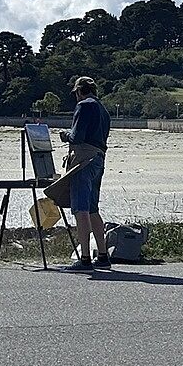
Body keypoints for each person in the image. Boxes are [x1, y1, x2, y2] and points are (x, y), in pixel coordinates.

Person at [59, 76, 111, 270]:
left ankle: (85, 258)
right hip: (99, 159)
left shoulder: (84, 106)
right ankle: (103, 255)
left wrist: (66, 135)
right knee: (92, 208)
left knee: (80, 209)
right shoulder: (103, 109)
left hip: (84, 161)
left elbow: (77, 136)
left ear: (79, 91)